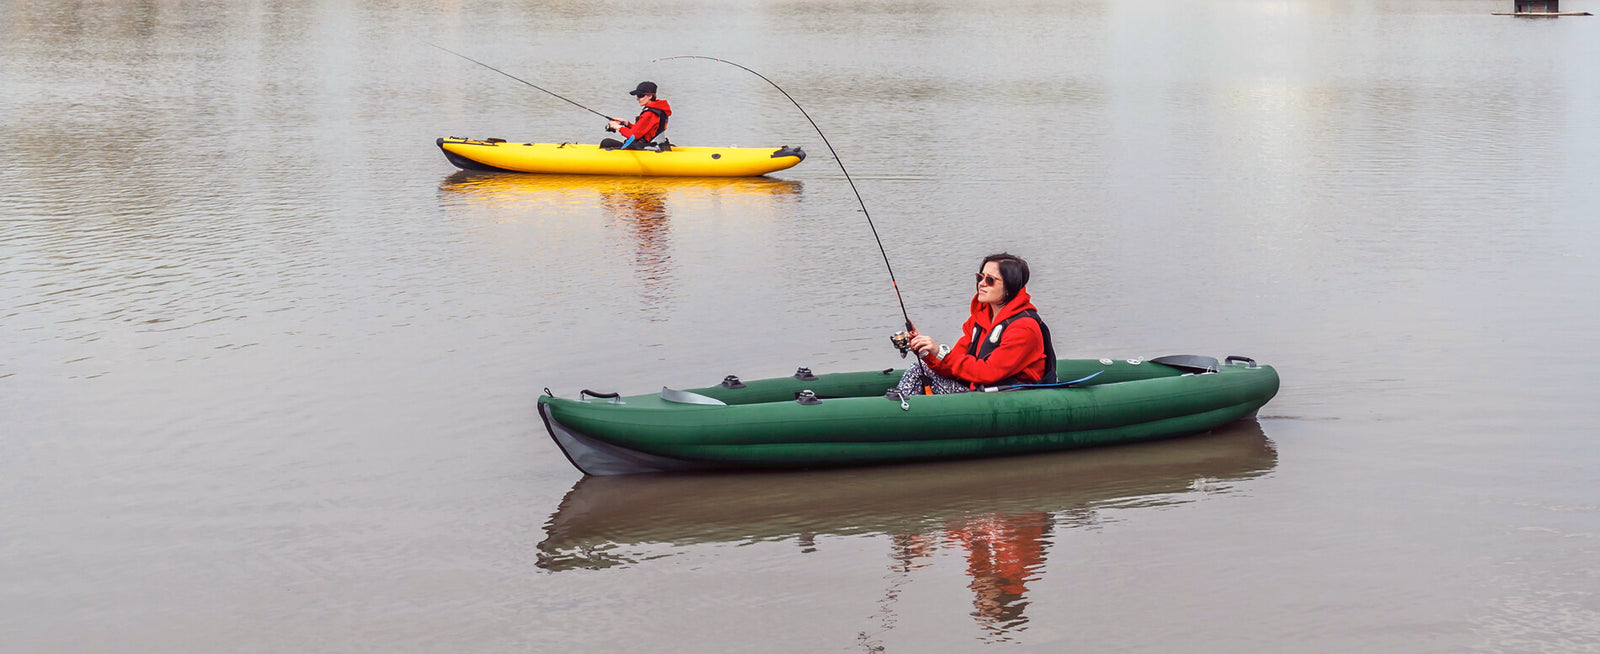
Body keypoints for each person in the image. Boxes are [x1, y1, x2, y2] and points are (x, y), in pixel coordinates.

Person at [893, 253, 1056, 395]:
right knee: (918, 367)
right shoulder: (979, 320)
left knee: (915, 373)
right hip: (979, 392)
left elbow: (988, 372)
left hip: (1008, 399)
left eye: (990, 280)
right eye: (980, 277)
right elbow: (955, 367)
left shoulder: (1024, 328)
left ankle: (895, 417)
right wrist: (927, 352)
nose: (982, 283)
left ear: (1010, 286)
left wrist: (940, 351)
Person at [601, 81, 672, 150]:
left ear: (650, 96)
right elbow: (642, 130)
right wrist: (626, 123)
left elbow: (633, 135)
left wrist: (617, 127)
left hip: (649, 147)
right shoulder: (657, 109)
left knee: (606, 142)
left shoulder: (650, 113)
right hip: (654, 144)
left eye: (640, 95)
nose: (637, 98)